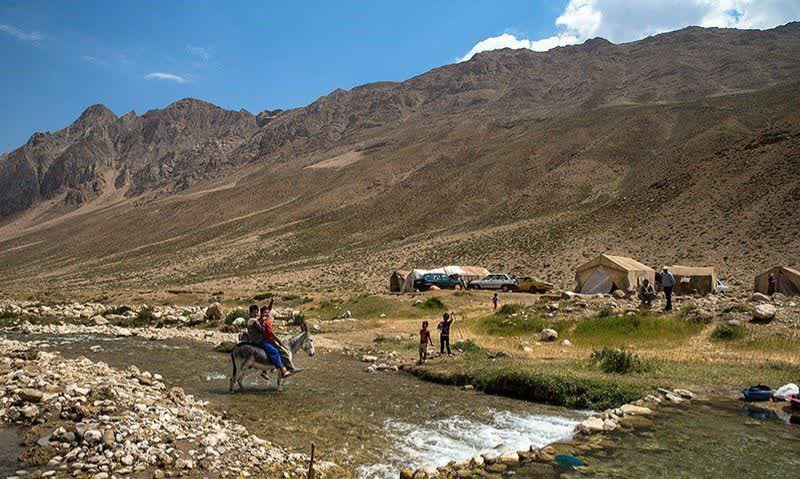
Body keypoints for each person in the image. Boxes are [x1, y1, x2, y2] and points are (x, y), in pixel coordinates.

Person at [258, 298, 293, 382]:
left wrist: (272, 301)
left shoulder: (263, 318)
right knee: (277, 351)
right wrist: (279, 341)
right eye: (265, 313)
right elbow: (271, 334)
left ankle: (267, 370)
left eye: (267, 313)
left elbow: (269, 309)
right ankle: (283, 369)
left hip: (266, 339)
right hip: (268, 340)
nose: (267, 313)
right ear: (262, 313)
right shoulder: (265, 321)